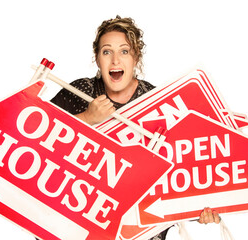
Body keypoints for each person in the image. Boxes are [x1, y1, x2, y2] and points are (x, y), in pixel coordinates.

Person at [50, 15, 220, 240]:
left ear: (136, 58)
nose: (115, 61)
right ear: (97, 58)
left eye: (124, 51)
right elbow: (35, 137)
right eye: (107, 51)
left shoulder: (159, 102)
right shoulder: (81, 90)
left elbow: (179, 168)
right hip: (86, 224)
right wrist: (87, 117)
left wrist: (198, 209)